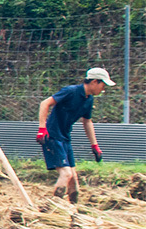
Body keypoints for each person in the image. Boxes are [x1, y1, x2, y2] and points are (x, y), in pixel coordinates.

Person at [37, 67, 113, 203]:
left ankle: (73, 208)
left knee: (73, 179)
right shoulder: (71, 91)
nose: (103, 89)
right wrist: (42, 128)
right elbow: (45, 103)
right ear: (94, 82)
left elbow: (87, 121)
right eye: (103, 85)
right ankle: (53, 207)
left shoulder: (89, 99)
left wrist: (94, 145)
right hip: (52, 136)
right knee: (66, 174)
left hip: (65, 138)